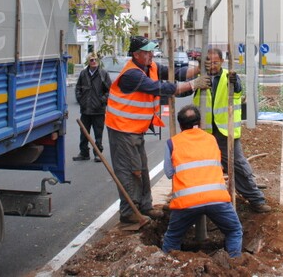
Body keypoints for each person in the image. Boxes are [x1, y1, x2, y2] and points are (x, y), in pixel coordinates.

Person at [106, 36, 210, 224]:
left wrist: (198, 69)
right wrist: (193, 84)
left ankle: (145, 206)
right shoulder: (132, 75)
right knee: (131, 171)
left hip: (135, 129)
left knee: (142, 169)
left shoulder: (151, 67)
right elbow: (159, 87)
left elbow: (176, 73)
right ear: (136, 54)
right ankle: (129, 211)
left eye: (151, 51)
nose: (151, 55)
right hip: (122, 130)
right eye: (146, 52)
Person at [192, 48, 271, 213]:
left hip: (225, 131)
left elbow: (238, 90)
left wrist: (234, 82)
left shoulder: (229, 77)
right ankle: (206, 201)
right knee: (205, 168)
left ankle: (256, 200)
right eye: (209, 62)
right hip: (205, 132)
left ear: (221, 61)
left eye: (215, 62)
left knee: (238, 166)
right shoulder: (200, 78)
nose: (212, 66)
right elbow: (182, 91)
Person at [162, 105, 243, 258]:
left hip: (186, 202)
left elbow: (168, 172)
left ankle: (167, 265)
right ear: (199, 123)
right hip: (216, 199)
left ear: (180, 125)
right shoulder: (211, 139)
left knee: (172, 237)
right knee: (234, 231)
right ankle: (234, 262)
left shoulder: (172, 143)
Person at [74, 53, 112, 162]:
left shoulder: (103, 74)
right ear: (88, 61)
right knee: (84, 133)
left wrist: (102, 101)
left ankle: (98, 154)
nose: (94, 61)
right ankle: (84, 153)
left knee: (98, 134)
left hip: (98, 110)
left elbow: (110, 91)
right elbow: (78, 88)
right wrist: (81, 100)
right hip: (85, 110)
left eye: (95, 59)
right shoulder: (83, 74)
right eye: (91, 60)